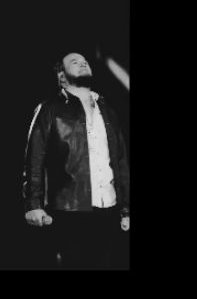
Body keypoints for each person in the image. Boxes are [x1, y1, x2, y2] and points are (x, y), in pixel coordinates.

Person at [22, 52, 130, 269]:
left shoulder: (108, 110)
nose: (83, 63)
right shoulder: (49, 108)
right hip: (68, 208)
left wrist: (125, 208)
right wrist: (33, 204)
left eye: (85, 62)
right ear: (61, 76)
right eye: (75, 62)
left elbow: (120, 161)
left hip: (108, 207)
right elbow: (34, 157)